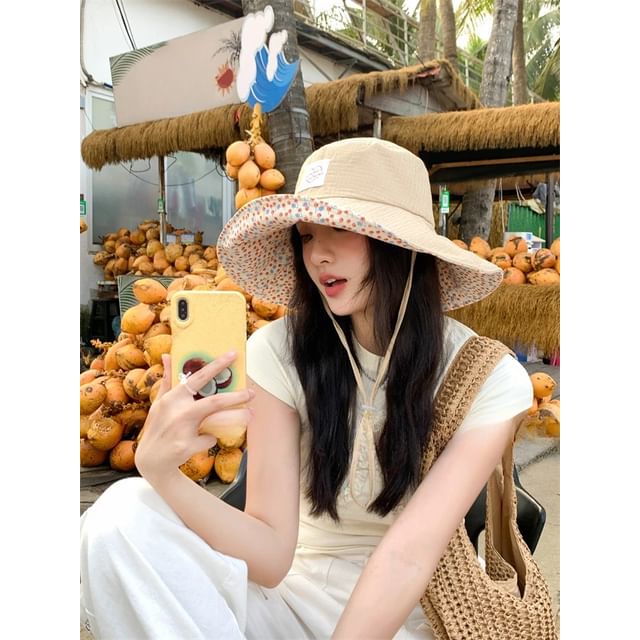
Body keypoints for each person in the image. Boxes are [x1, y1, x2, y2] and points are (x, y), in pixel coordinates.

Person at [80, 138, 533, 639]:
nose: (318, 254)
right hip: (290, 603)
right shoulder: (279, 351)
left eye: (341, 228)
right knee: (119, 516)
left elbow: (408, 556)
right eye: (307, 235)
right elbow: (271, 555)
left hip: (411, 613)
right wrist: (162, 474)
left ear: (402, 245)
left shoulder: (487, 377)